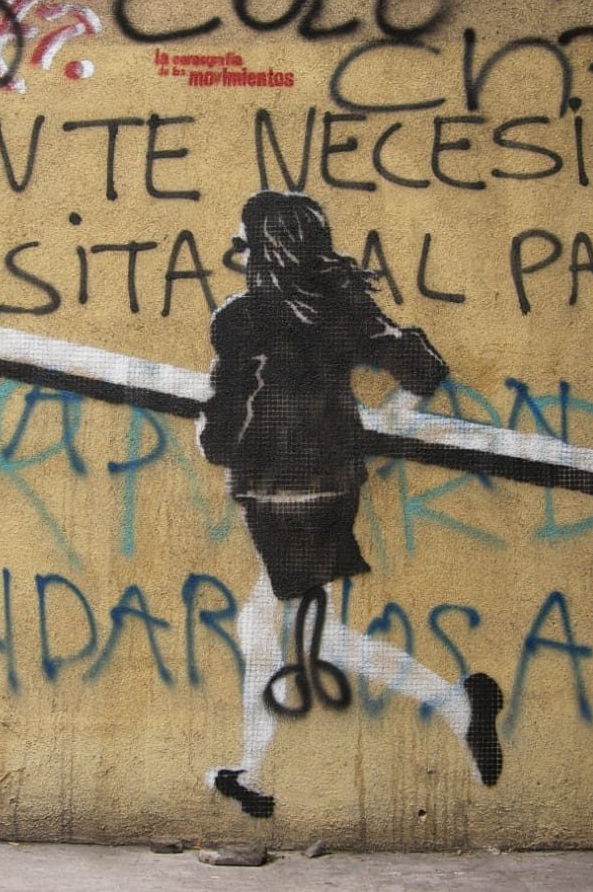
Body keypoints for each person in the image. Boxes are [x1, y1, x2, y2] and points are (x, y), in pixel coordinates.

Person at [199, 191, 503, 817]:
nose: (240, 252)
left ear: (267, 248)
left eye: (246, 242)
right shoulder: (342, 308)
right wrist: (387, 422)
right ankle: (253, 767)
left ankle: (457, 705)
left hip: (276, 496)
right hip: (331, 487)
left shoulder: (242, 318)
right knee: (267, 627)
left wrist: (216, 442)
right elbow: (422, 366)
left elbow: (224, 421)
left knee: (316, 638)